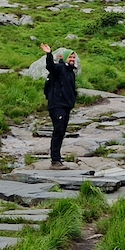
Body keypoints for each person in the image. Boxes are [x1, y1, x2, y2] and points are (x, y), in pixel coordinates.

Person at [39, 42, 78, 170]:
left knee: (61, 132)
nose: (72, 59)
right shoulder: (59, 69)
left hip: (66, 106)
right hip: (57, 105)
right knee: (58, 131)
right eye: (70, 57)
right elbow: (50, 66)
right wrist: (49, 54)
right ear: (65, 58)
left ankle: (57, 159)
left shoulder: (71, 72)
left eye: (73, 57)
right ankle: (55, 161)